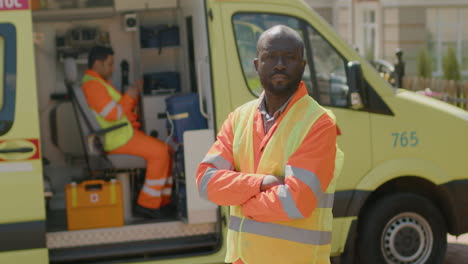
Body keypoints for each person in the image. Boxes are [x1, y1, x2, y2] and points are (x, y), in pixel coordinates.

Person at [196, 26, 344, 264]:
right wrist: (262, 183)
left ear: (303, 66)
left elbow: (297, 202)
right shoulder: (238, 118)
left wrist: (241, 200)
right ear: (257, 65)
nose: (280, 64)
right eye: (270, 57)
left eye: (290, 57)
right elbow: (205, 182)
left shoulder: (319, 123)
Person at [82, 45, 173, 217]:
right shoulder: (93, 85)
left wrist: (133, 94)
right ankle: (147, 204)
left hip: (122, 134)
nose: (112, 69)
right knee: (161, 152)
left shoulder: (98, 83)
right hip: (116, 138)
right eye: (109, 64)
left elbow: (118, 110)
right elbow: (112, 115)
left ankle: (163, 202)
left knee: (168, 150)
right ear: (97, 63)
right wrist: (130, 95)